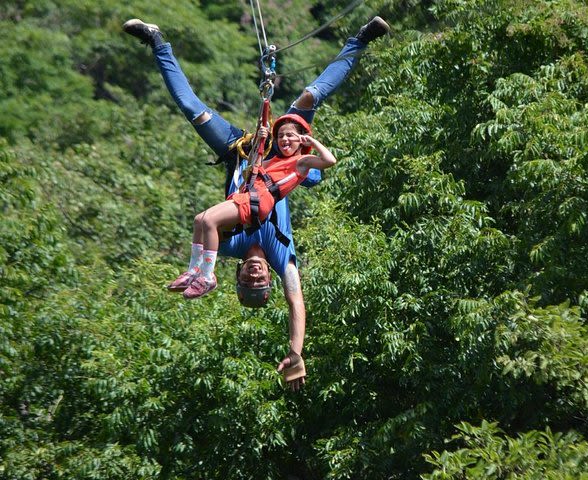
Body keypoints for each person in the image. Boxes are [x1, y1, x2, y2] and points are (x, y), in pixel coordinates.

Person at [122, 15, 389, 390]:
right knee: (310, 97)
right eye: (261, 283)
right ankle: (361, 40)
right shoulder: (283, 256)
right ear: (268, 280)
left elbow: (206, 231)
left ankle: (156, 41)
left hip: (241, 152)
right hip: (281, 154)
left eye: (248, 281)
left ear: (238, 275)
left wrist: (199, 268)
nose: (256, 275)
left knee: (190, 106)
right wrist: (297, 352)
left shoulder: (230, 246)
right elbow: (297, 303)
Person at [166, 116, 337, 300]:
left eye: (290, 135)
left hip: (258, 202)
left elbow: (330, 160)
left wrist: (311, 141)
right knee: (199, 220)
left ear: (300, 139)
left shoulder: (302, 161)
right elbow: (253, 166)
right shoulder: (275, 161)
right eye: (280, 136)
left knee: (209, 221)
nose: (284, 139)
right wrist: (259, 141)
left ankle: (207, 276)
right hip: (248, 197)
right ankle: (194, 270)